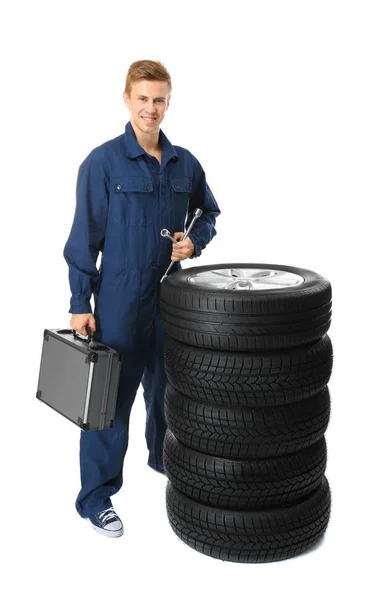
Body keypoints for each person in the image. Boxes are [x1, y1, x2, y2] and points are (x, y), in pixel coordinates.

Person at [63, 59, 221, 537]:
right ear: (127, 99)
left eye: (160, 100)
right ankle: (96, 498)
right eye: (143, 98)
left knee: (170, 393)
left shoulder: (185, 163)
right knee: (108, 402)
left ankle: (164, 463)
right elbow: (84, 237)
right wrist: (78, 303)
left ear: (169, 102)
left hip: (172, 300)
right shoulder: (103, 162)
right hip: (118, 302)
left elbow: (209, 211)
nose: (151, 109)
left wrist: (195, 241)